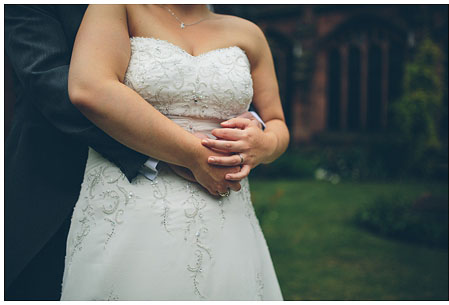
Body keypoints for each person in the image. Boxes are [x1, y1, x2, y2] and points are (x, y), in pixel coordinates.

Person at [4, 5, 254, 300]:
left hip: (211, 197)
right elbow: (48, 79)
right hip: (56, 184)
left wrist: (251, 132)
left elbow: (223, 74)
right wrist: (182, 150)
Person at [57, 4, 288, 300]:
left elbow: (277, 122)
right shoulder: (119, 7)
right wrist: (195, 155)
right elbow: (90, 88)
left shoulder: (248, 32)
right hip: (132, 204)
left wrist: (264, 145)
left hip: (225, 212)